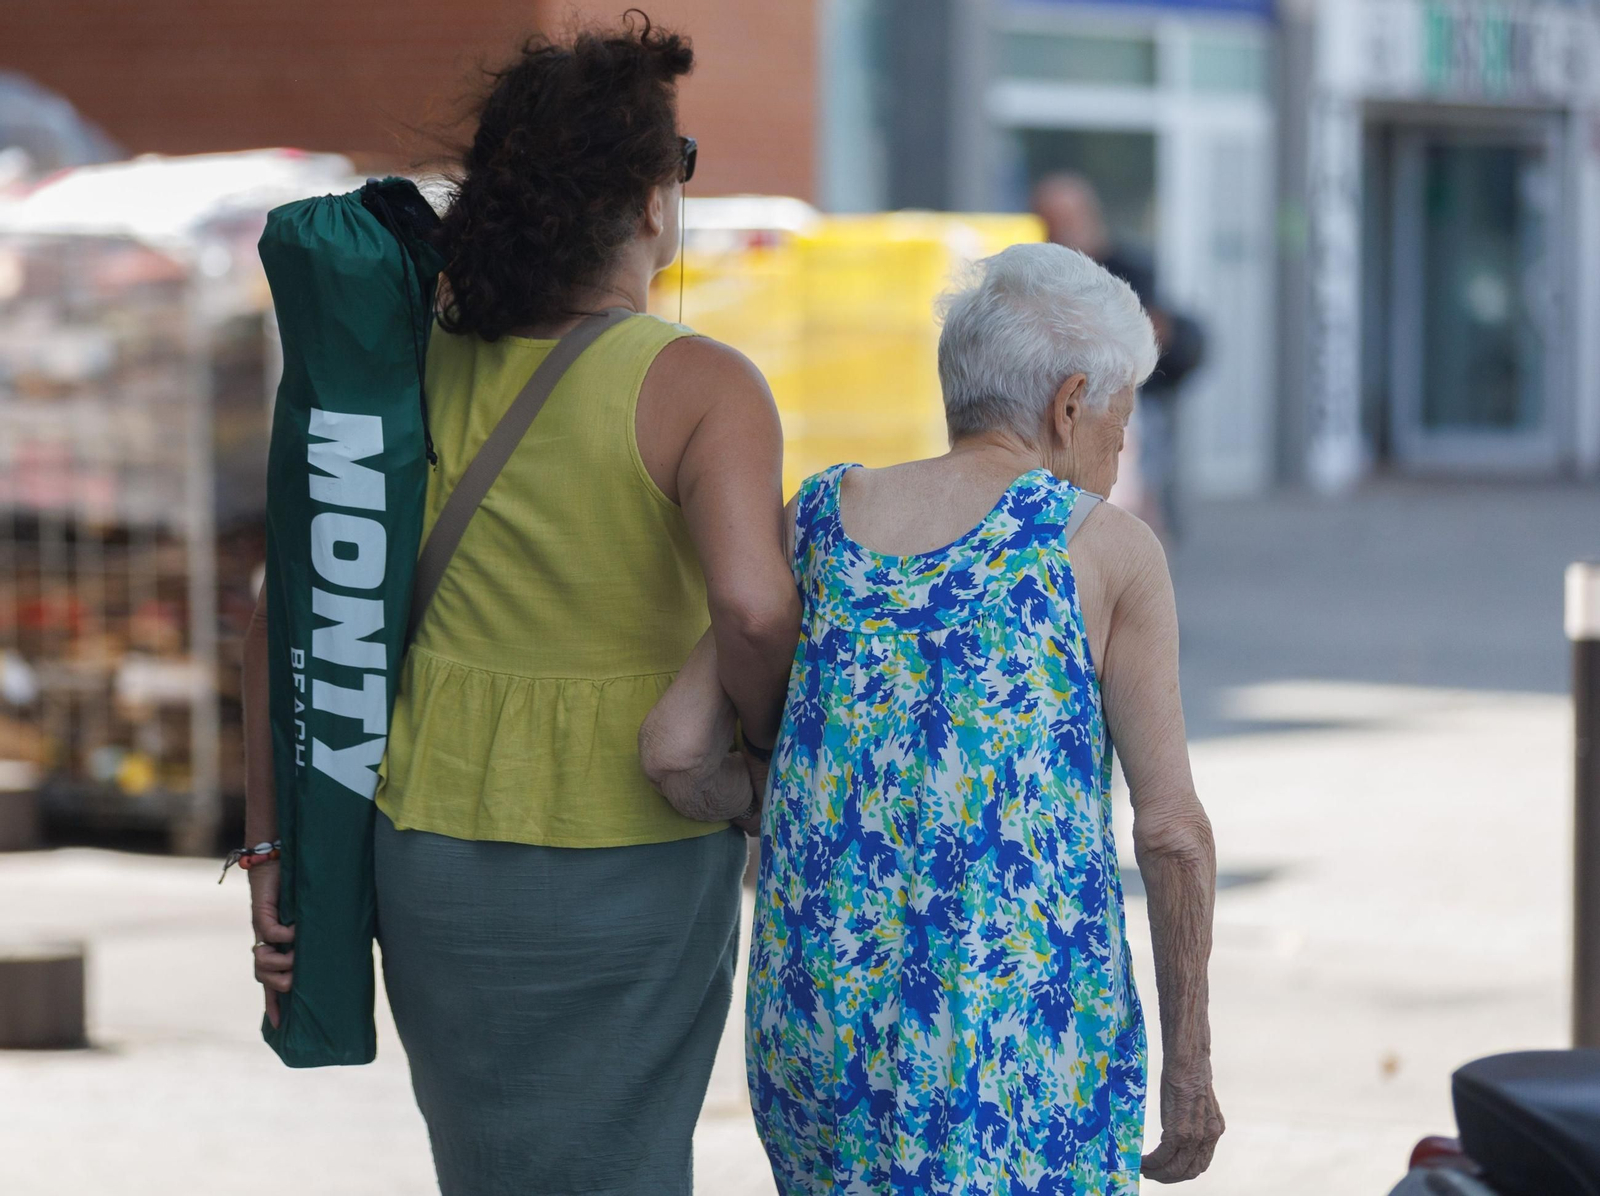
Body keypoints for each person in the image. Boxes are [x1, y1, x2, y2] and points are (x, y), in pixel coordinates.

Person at [240, 16, 799, 1195]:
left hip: (430, 847)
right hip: (637, 848)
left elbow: (281, 606)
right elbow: (753, 609)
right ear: (651, 200)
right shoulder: (701, 384)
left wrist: (272, 841)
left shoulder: (405, 365)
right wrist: (759, 757)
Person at [646, 242, 1223, 1193]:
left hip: (818, 1028)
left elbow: (671, 752)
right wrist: (1189, 1071)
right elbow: (1170, 834)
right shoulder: (1104, 549)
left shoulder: (821, 516)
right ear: (1069, 404)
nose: (1117, 460)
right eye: (1117, 429)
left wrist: (783, 799)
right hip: (1020, 1056)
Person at [1032, 172, 1205, 542]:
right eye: (1050, 221)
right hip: (1060, 407)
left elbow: (1156, 331)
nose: (1059, 230)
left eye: (1067, 219)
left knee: (1133, 493)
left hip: (1123, 402)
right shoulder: (1036, 274)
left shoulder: (1127, 267)